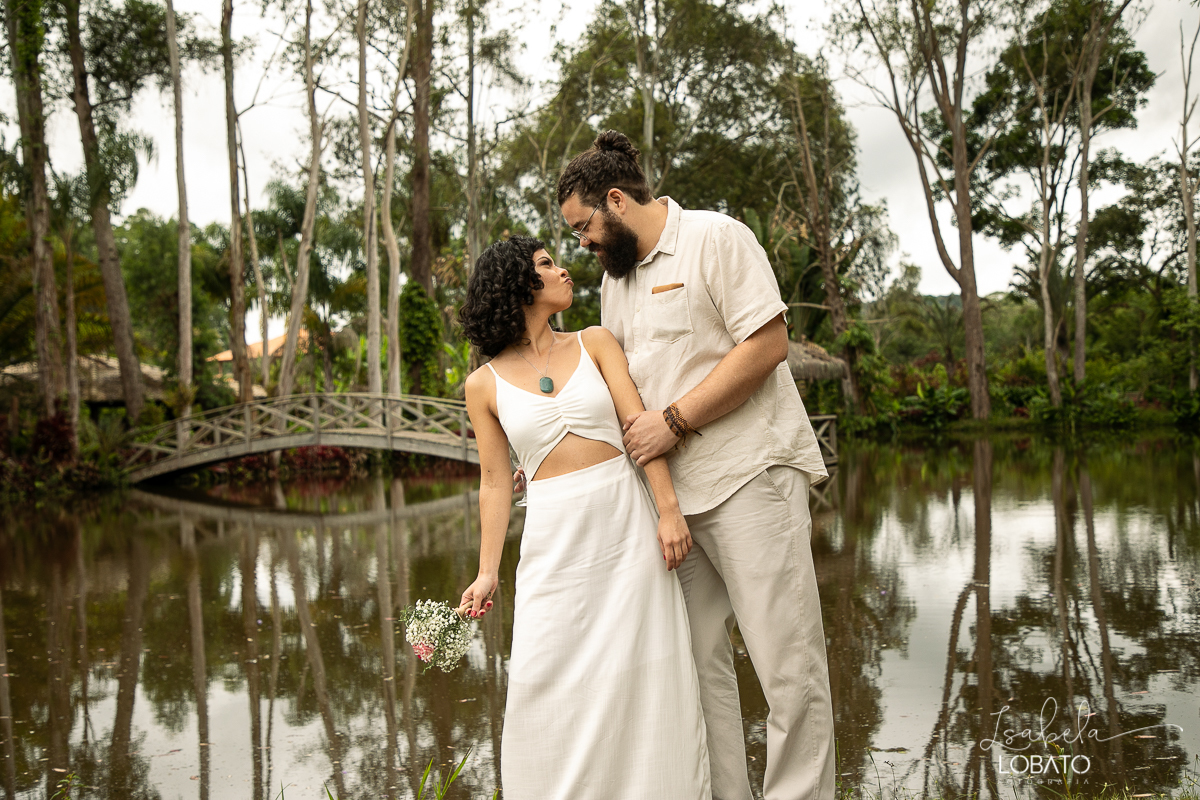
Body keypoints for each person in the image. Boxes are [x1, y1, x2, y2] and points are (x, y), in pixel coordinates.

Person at [556, 130, 836, 800]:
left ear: (615, 200)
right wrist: (551, 458)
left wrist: (675, 420)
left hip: (750, 479)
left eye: (582, 227)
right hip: (674, 510)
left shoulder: (717, 238)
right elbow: (620, 396)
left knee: (788, 667)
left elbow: (767, 345)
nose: (582, 244)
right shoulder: (614, 285)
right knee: (698, 670)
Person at [457, 236, 711, 800]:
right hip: (553, 542)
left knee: (645, 675)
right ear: (519, 285)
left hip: (626, 528)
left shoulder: (595, 341)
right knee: (545, 677)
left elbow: (639, 428)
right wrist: (487, 571)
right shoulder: (483, 385)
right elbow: (494, 482)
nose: (563, 269)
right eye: (546, 264)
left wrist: (668, 511)